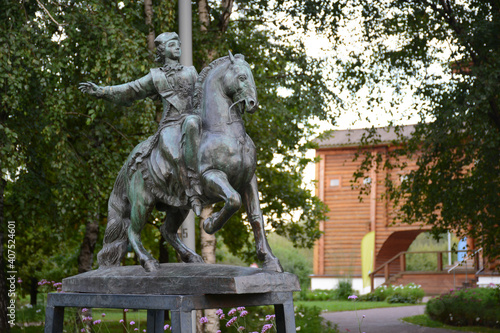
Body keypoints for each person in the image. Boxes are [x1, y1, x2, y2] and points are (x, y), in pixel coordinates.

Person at [79, 32, 202, 215]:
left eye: (178, 44)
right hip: (170, 126)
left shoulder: (191, 72)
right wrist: (102, 91)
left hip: (192, 122)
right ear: (162, 51)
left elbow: (202, 97)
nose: (177, 47)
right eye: (171, 45)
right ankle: (192, 193)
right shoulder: (156, 77)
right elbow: (131, 89)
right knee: (175, 156)